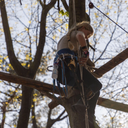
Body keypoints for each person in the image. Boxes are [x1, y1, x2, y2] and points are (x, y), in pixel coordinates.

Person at [52, 21, 102, 127]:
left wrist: (82, 60)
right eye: (87, 34)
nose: (87, 38)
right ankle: (81, 104)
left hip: (63, 73)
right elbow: (80, 35)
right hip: (69, 66)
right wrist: (85, 51)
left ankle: (89, 117)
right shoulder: (76, 33)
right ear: (83, 27)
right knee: (97, 85)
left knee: (92, 91)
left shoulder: (67, 40)